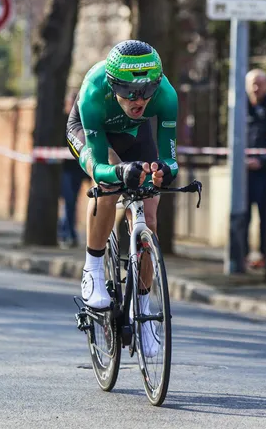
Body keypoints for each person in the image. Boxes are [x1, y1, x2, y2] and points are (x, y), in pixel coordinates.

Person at [66, 40, 178, 355]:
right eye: (129, 91)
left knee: (150, 216)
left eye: (146, 90)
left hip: (135, 135)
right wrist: (118, 174)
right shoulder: (93, 94)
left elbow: (170, 157)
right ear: (114, 84)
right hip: (93, 132)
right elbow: (100, 167)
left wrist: (165, 172)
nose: (138, 98)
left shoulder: (166, 96)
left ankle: (142, 311)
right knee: (109, 185)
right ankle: (92, 269)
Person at [245, 68, 266, 269]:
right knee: (242, 215)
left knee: (265, 216)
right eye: (253, 83)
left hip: (265, 173)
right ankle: (242, 256)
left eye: (259, 83)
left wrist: (262, 161)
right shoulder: (240, 106)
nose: (256, 88)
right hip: (244, 174)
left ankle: (265, 255)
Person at [58, 93, 89, 249]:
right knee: (68, 202)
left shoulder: (84, 121)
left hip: (79, 169)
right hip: (66, 170)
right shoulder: (63, 121)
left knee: (72, 202)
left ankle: (67, 231)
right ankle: (66, 232)